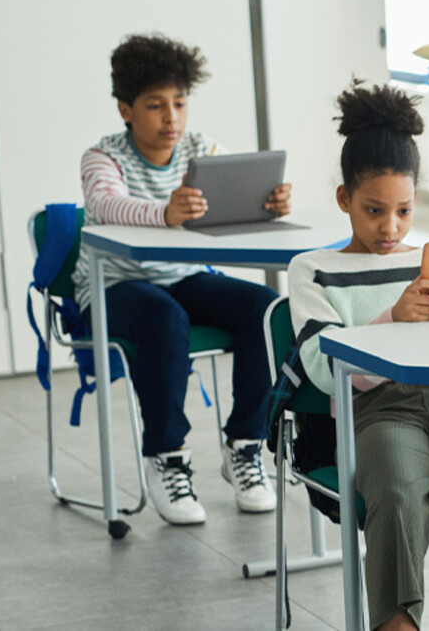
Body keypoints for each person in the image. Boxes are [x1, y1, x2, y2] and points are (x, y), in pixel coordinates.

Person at [287, 82, 429, 631]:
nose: (390, 227)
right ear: (344, 200)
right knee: (398, 490)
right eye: (374, 210)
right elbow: (319, 363)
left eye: (403, 210)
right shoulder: (313, 270)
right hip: (379, 409)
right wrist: (393, 320)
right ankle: (396, 625)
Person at [79, 33, 288, 524]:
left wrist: (268, 203)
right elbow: (105, 205)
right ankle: (167, 455)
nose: (171, 117)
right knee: (162, 317)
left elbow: (233, 199)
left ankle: (245, 445)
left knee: (264, 308)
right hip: (114, 287)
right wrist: (165, 213)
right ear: (125, 109)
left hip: (184, 277)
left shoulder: (201, 149)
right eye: (155, 106)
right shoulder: (102, 157)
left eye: (179, 103)